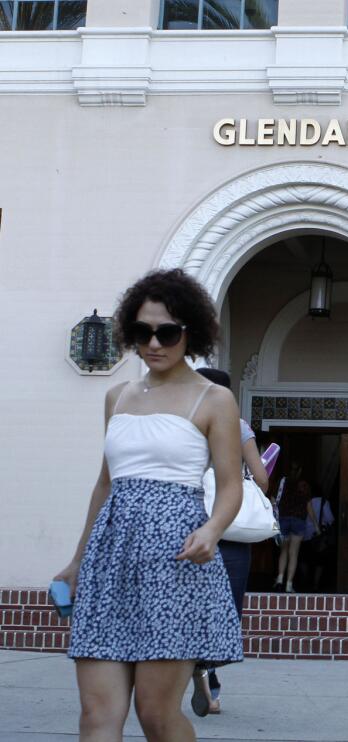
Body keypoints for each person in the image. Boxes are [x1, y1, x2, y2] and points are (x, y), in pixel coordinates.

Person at [53, 269, 244, 741]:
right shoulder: (116, 397)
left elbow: (230, 485)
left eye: (166, 332)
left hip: (175, 560)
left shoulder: (214, 398)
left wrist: (213, 530)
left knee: (156, 715)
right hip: (108, 560)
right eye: (142, 332)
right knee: (97, 714)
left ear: (190, 333)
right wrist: (78, 560)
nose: (153, 343)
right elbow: (104, 485)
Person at [191, 367, 271, 715]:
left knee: (190, 606)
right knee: (225, 609)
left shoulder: (184, 421)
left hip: (191, 527)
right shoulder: (238, 428)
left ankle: (189, 672)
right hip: (232, 533)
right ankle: (209, 679)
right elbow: (263, 479)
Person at [274, 461, 315, 593]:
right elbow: (309, 507)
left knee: (284, 551)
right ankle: (289, 585)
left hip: (283, 519)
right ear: (300, 470)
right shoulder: (304, 485)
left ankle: (280, 580)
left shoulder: (282, 482)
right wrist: (316, 525)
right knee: (294, 553)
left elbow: (273, 499)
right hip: (298, 521)